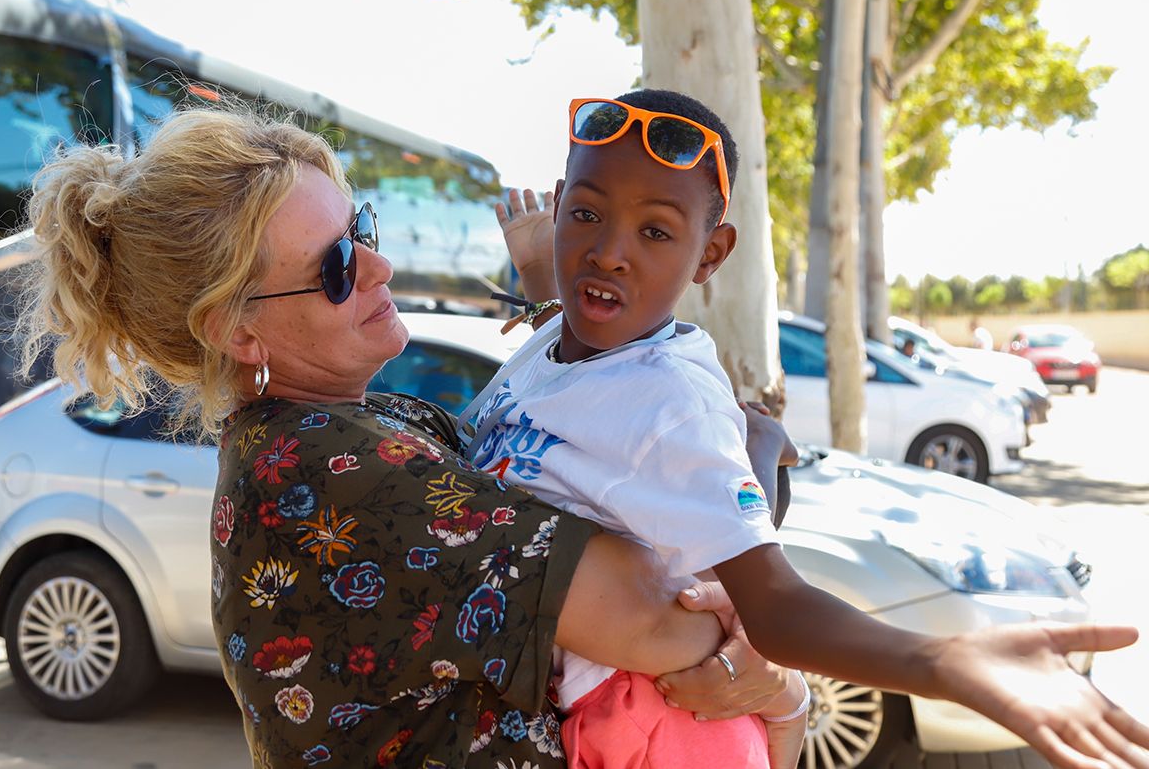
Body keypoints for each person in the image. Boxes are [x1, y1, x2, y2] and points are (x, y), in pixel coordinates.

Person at [12, 105, 796, 768]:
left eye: (363, 228)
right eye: (338, 265)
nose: (381, 266)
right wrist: (782, 681)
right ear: (236, 329)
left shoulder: (373, 428)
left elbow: (599, 467)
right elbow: (653, 614)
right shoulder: (323, 469)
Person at [467, 89, 1149, 769]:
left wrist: (944, 661)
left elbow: (777, 604)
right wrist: (539, 276)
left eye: (656, 231)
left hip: (654, 727)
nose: (609, 252)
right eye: (586, 214)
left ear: (711, 255)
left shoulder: (668, 401)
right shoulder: (561, 339)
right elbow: (562, 350)